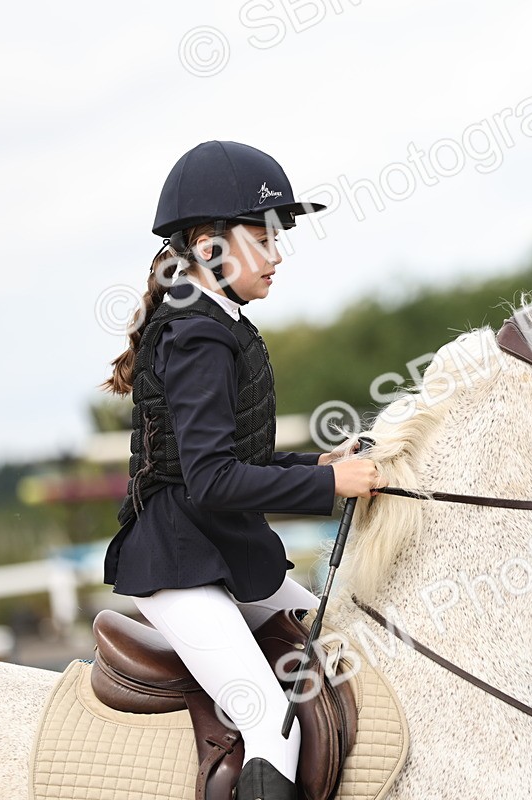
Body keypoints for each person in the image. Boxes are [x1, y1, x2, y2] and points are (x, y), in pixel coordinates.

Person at [101, 140, 383, 800]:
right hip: (177, 563)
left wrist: (318, 464)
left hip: (218, 550)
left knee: (339, 645)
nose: (278, 254)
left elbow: (240, 462)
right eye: (263, 237)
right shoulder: (197, 332)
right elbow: (212, 481)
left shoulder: (221, 322)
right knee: (271, 723)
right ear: (208, 247)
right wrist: (328, 486)